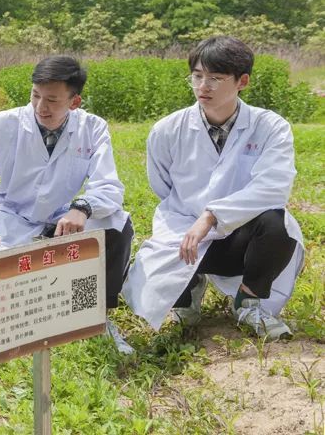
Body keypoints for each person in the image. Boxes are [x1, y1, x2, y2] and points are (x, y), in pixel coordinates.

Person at [123, 37, 304, 339]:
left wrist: (210, 216)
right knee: (155, 268)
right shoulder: (167, 130)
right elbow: (163, 186)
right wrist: (193, 218)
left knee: (278, 223)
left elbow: (273, 187)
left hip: (242, 238)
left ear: (242, 81)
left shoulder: (270, 127)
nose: (203, 86)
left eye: (215, 78)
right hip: (184, 232)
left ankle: (248, 301)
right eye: (197, 76)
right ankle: (190, 288)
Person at [0, 55, 136, 354]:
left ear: (74, 102)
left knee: (117, 224)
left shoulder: (93, 128)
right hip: (7, 217)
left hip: (62, 220)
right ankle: (41, 301)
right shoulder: (2, 124)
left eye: (52, 100)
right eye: (35, 96)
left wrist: (82, 208)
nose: (41, 107)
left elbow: (108, 185)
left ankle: (97, 316)